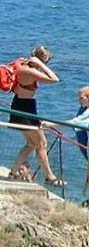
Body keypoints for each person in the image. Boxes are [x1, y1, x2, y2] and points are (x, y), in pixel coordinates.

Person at [7, 46, 64, 187]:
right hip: (24, 109)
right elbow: (55, 79)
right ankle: (49, 177)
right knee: (41, 143)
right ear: (40, 60)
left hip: (26, 107)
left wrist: (37, 64)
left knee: (32, 144)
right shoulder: (29, 71)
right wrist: (40, 65)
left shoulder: (22, 65)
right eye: (46, 61)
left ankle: (14, 171)